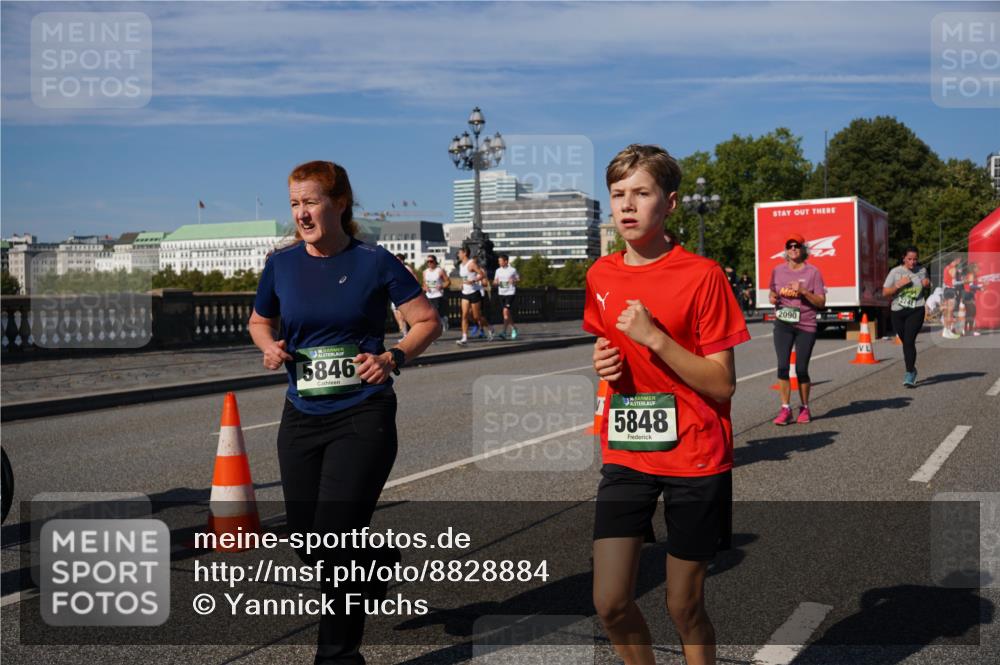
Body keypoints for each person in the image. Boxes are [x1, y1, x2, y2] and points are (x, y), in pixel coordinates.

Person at [248, 160, 441, 664]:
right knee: (306, 540)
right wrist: (269, 347)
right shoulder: (281, 264)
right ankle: (376, 565)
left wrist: (392, 357)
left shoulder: (374, 261)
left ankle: (338, 655)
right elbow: (258, 320)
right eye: (294, 203)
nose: (301, 213)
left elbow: (426, 321)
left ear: (340, 203)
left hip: (362, 415)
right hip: (300, 413)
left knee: (335, 543)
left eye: (310, 202)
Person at [585, 144, 750, 665]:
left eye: (642, 193)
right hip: (628, 451)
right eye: (618, 194)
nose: (627, 205)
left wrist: (656, 339)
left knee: (684, 605)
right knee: (609, 602)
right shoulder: (601, 275)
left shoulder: (703, 276)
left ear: (671, 203)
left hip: (695, 456)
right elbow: (606, 348)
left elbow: (722, 384)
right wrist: (604, 364)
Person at [768, 232, 827, 425]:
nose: (793, 248)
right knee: (783, 366)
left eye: (797, 245)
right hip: (783, 323)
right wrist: (773, 297)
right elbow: (772, 291)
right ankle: (785, 409)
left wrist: (802, 291)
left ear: (803, 249)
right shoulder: (777, 270)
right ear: (785, 250)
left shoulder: (813, 273)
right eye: (789, 246)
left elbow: (821, 302)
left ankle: (804, 407)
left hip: (806, 325)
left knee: (801, 369)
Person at [882, 246, 931, 388]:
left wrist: (927, 283)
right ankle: (912, 368)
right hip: (898, 311)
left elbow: (926, 282)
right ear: (903, 258)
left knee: (909, 341)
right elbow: (885, 292)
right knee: (905, 342)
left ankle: (910, 372)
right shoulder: (895, 272)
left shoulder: (921, 270)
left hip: (916, 310)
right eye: (909, 259)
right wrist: (898, 285)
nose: (913, 262)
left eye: (915, 259)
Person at [456, 246, 493, 345]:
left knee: (477, 316)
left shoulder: (471, 264)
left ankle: (489, 328)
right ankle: (464, 338)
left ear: (464, 253)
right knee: (464, 315)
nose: (458, 255)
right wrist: (462, 283)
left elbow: (482, 274)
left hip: (474, 292)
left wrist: (473, 280)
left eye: (459, 253)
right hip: (465, 292)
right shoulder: (461, 265)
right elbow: (464, 278)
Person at [493, 253, 520, 339]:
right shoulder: (498, 270)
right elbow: (495, 281)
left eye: (500, 261)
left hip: (510, 293)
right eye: (498, 261)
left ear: (506, 261)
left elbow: (518, 278)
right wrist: (495, 283)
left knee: (505, 311)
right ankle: (514, 328)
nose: (499, 262)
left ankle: (504, 332)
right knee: (507, 313)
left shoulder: (512, 270)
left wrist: (514, 280)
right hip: (501, 293)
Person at [422, 254, 451, 332]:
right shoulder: (425, 272)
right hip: (429, 295)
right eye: (427, 262)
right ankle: (434, 329)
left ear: (435, 262)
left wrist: (441, 286)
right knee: (430, 314)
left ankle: (443, 321)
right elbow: (424, 283)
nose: (429, 263)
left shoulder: (440, 271)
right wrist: (425, 288)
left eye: (431, 261)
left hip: (438, 295)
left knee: (436, 313)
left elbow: (448, 282)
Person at [392, 253, 418, 339]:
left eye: (399, 260)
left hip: (404, 295)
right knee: (398, 316)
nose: (397, 261)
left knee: (403, 317)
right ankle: (405, 334)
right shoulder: (392, 269)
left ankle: (407, 335)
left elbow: (415, 279)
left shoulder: (407, 269)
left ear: (402, 260)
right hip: (395, 295)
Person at [941, 257, 961, 339]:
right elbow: (954, 282)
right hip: (951, 289)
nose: (959, 261)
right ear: (955, 260)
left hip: (946, 290)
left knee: (947, 312)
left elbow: (945, 280)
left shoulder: (946, 268)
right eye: (959, 260)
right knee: (950, 312)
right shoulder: (953, 268)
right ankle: (947, 331)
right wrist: (964, 281)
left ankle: (946, 331)